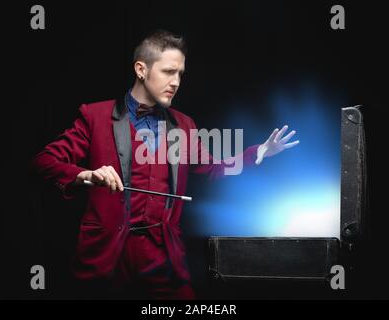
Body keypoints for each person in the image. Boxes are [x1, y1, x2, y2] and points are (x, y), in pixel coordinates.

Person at [32, 29, 299, 299]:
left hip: (162, 257)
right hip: (106, 255)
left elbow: (214, 169)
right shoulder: (94, 116)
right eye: (168, 72)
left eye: (180, 74)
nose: (176, 81)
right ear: (141, 69)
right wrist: (85, 174)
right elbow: (45, 161)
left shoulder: (184, 125)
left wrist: (257, 152)